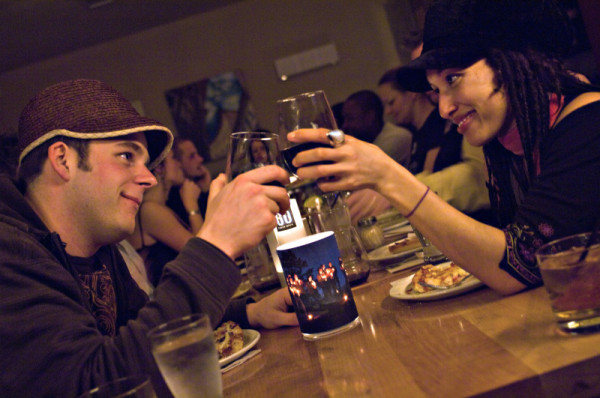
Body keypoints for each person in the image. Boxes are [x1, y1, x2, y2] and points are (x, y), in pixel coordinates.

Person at [0, 79, 297, 397]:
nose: (147, 177)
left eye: (147, 163)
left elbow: (149, 331)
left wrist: (250, 313)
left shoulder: (99, 249)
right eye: (127, 156)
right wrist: (215, 246)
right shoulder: (10, 253)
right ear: (62, 160)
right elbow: (97, 385)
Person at [287, 0, 600, 296]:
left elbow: (520, 266)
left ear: (511, 61)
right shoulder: (511, 140)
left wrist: (388, 178)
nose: (444, 108)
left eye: (453, 78)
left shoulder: (588, 123)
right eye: (436, 90)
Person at [347, 67, 492, 225]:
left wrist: (396, 187)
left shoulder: (439, 125)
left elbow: (478, 179)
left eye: (451, 79)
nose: (444, 108)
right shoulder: (415, 133)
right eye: (434, 87)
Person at [127, 148, 203, 286]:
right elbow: (202, 253)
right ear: (159, 168)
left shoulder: (160, 207)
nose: (179, 164)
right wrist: (192, 205)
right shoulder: (150, 210)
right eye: (174, 158)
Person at [341, 90, 412, 167]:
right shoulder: (369, 140)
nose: (345, 125)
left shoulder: (397, 138)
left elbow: (365, 170)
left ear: (370, 117)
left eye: (350, 118)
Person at [166, 137, 211, 224]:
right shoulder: (173, 199)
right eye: (192, 156)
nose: (200, 159)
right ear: (178, 162)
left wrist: (206, 190)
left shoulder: (195, 189)